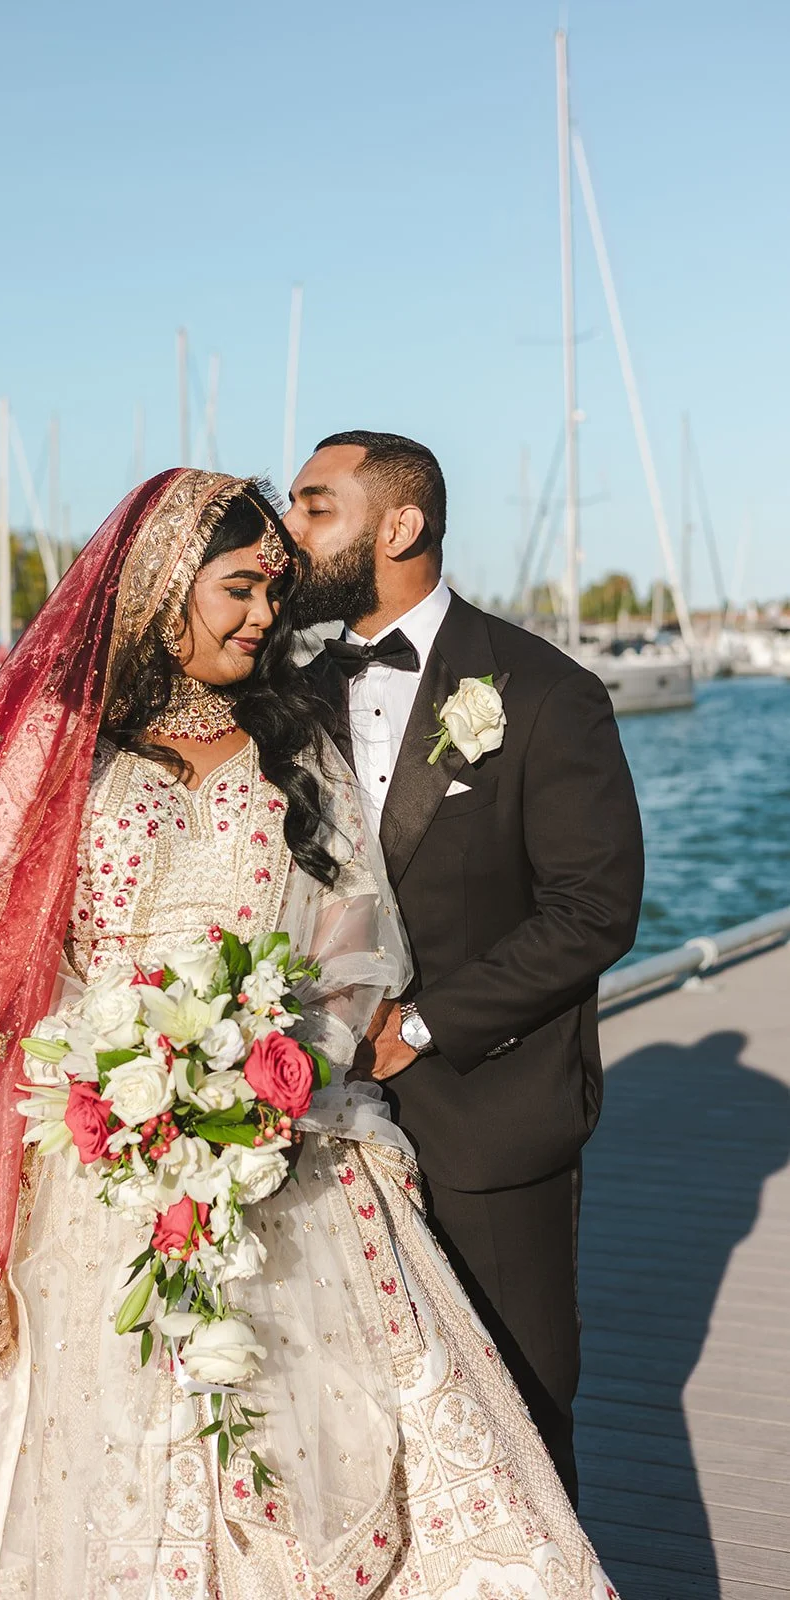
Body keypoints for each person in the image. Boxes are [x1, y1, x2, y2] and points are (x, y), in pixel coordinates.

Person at [0, 468, 617, 1599]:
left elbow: (353, 945)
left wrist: (283, 1067)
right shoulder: (53, 752)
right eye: (241, 589)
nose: (266, 614)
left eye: (271, 589)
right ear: (163, 589)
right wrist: (104, 1082)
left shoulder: (295, 748)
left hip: (276, 1133)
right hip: (90, 1155)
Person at [287, 430, 645, 1508]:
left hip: (486, 1114)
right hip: (310, 1125)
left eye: (314, 507)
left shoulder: (544, 692)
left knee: (519, 1421)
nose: (290, 531)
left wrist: (422, 1024)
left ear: (397, 527)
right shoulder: (289, 697)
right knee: (351, 1423)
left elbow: (593, 908)